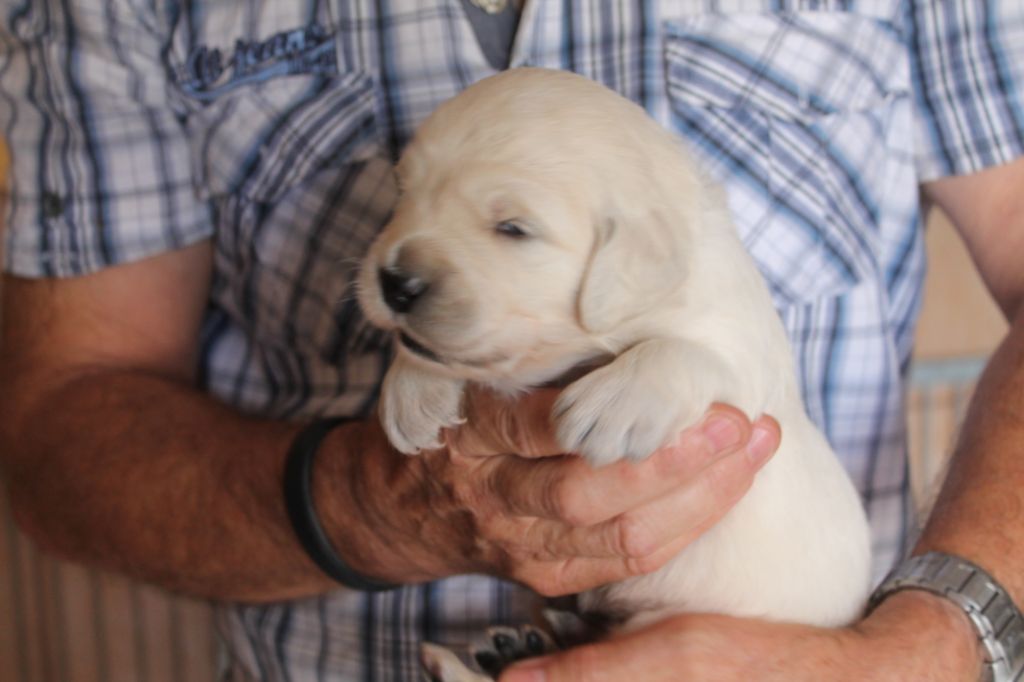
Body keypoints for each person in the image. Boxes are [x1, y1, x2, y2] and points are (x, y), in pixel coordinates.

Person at [0, 1, 1021, 680]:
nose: (403, 257)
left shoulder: (678, 268)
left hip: (804, 636)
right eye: (410, 200)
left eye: (510, 227)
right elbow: (63, 408)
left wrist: (932, 642)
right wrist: (360, 499)